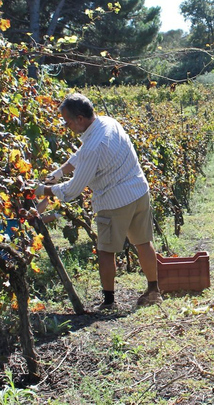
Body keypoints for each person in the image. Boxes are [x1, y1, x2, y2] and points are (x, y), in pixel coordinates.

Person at [35, 93, 161, 311]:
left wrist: (44, 189)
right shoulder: (108, 123)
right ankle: (154, 290)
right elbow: (82, 154)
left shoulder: (94, 147)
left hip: (115, 202)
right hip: (139, 191)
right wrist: (60, 171)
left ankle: (109, 302)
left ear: (81, 118)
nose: (67, 126)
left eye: (68, 122)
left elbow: (73, 189)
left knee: (105, 251)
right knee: (143, 242)